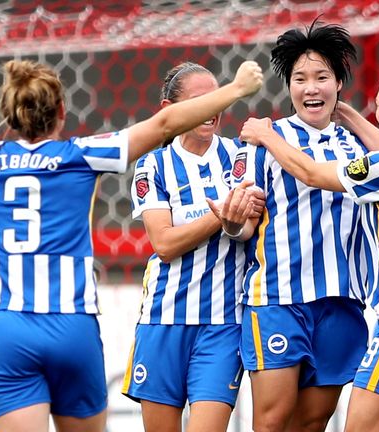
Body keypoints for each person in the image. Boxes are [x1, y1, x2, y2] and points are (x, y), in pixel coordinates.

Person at [0, 59, 262, 432]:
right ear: (61, 114)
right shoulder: (82, 155)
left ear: (10, 116)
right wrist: (236, 88)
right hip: (72, 323)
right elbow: (163, 125)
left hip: (7, 325)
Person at [240, 50, 379, 431]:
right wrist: (345, 112)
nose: (372, 116)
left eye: (377, 107)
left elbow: (311, 173)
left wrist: (265, 134)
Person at [217, 19, 379, 432]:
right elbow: (243, 228)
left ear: (338, 82)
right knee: (272, 420)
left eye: (322, 77)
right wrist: (231, 224)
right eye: (300, 78)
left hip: (342, 301)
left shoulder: (358, 146)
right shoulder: (262, 141)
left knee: (312, 422)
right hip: (279, 299)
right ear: (288, 85)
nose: (310, 88)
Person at [121, 62, 264, 432]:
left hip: (223, 322)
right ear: (171, 110)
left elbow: (247, 228)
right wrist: (221, 215)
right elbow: (165, 243)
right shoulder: (152, 165)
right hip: (163, 319)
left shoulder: (240, 156)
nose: (211, 109)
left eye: (216, 98)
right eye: (200, 101)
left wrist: (233, 222)